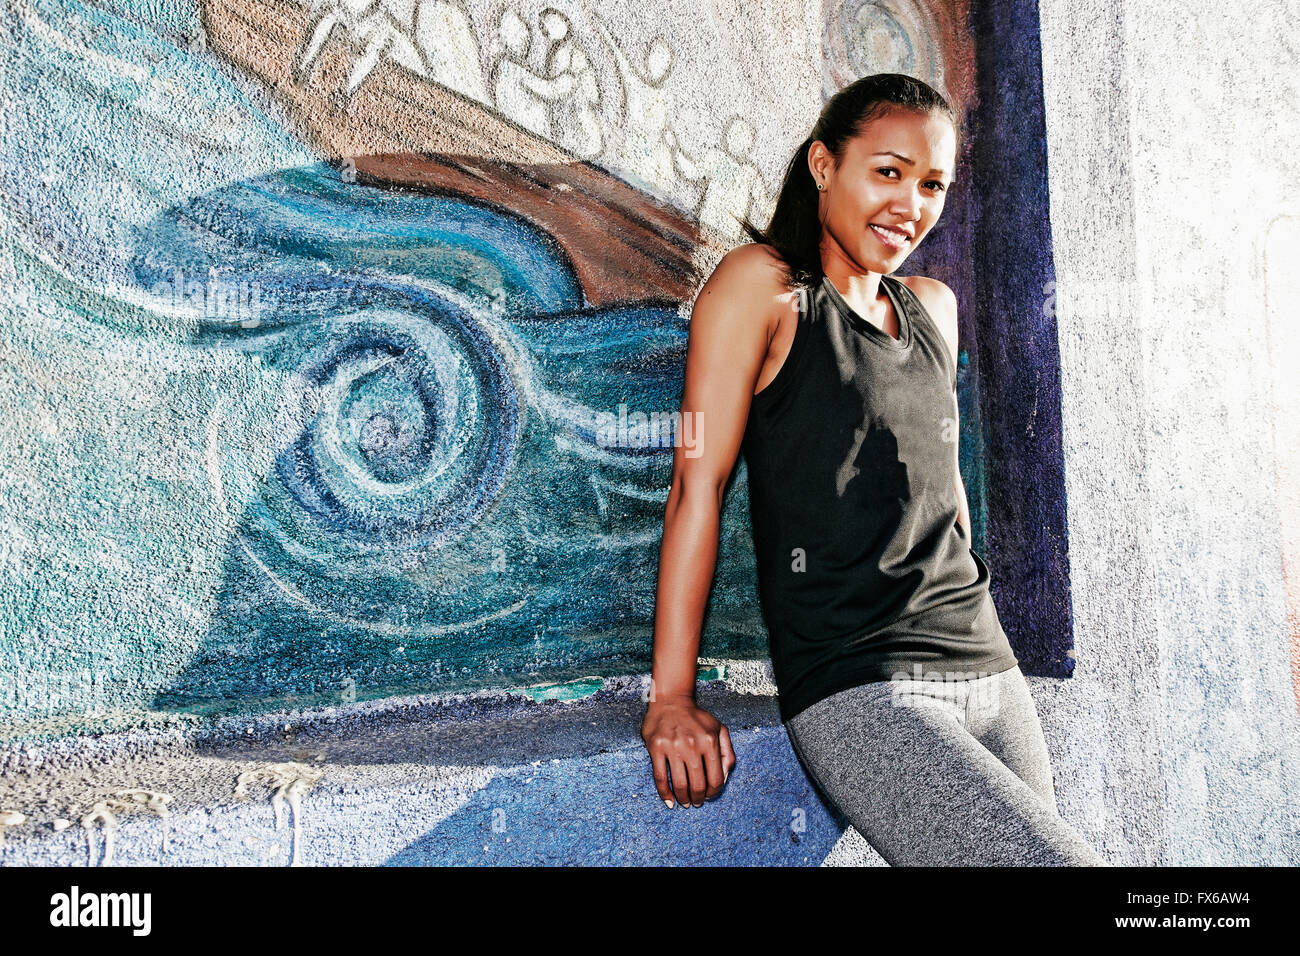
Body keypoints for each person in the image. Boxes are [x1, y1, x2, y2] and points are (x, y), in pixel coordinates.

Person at [639, 73, 1106, 866]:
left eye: (932, 185)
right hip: (863, 685)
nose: (911, 205)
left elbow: (944, 490)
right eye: (887, 172)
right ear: (824, 165)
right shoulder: (763, 289)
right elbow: (697, 487)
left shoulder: (936, 308)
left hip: (990, 670)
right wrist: (672, 698)